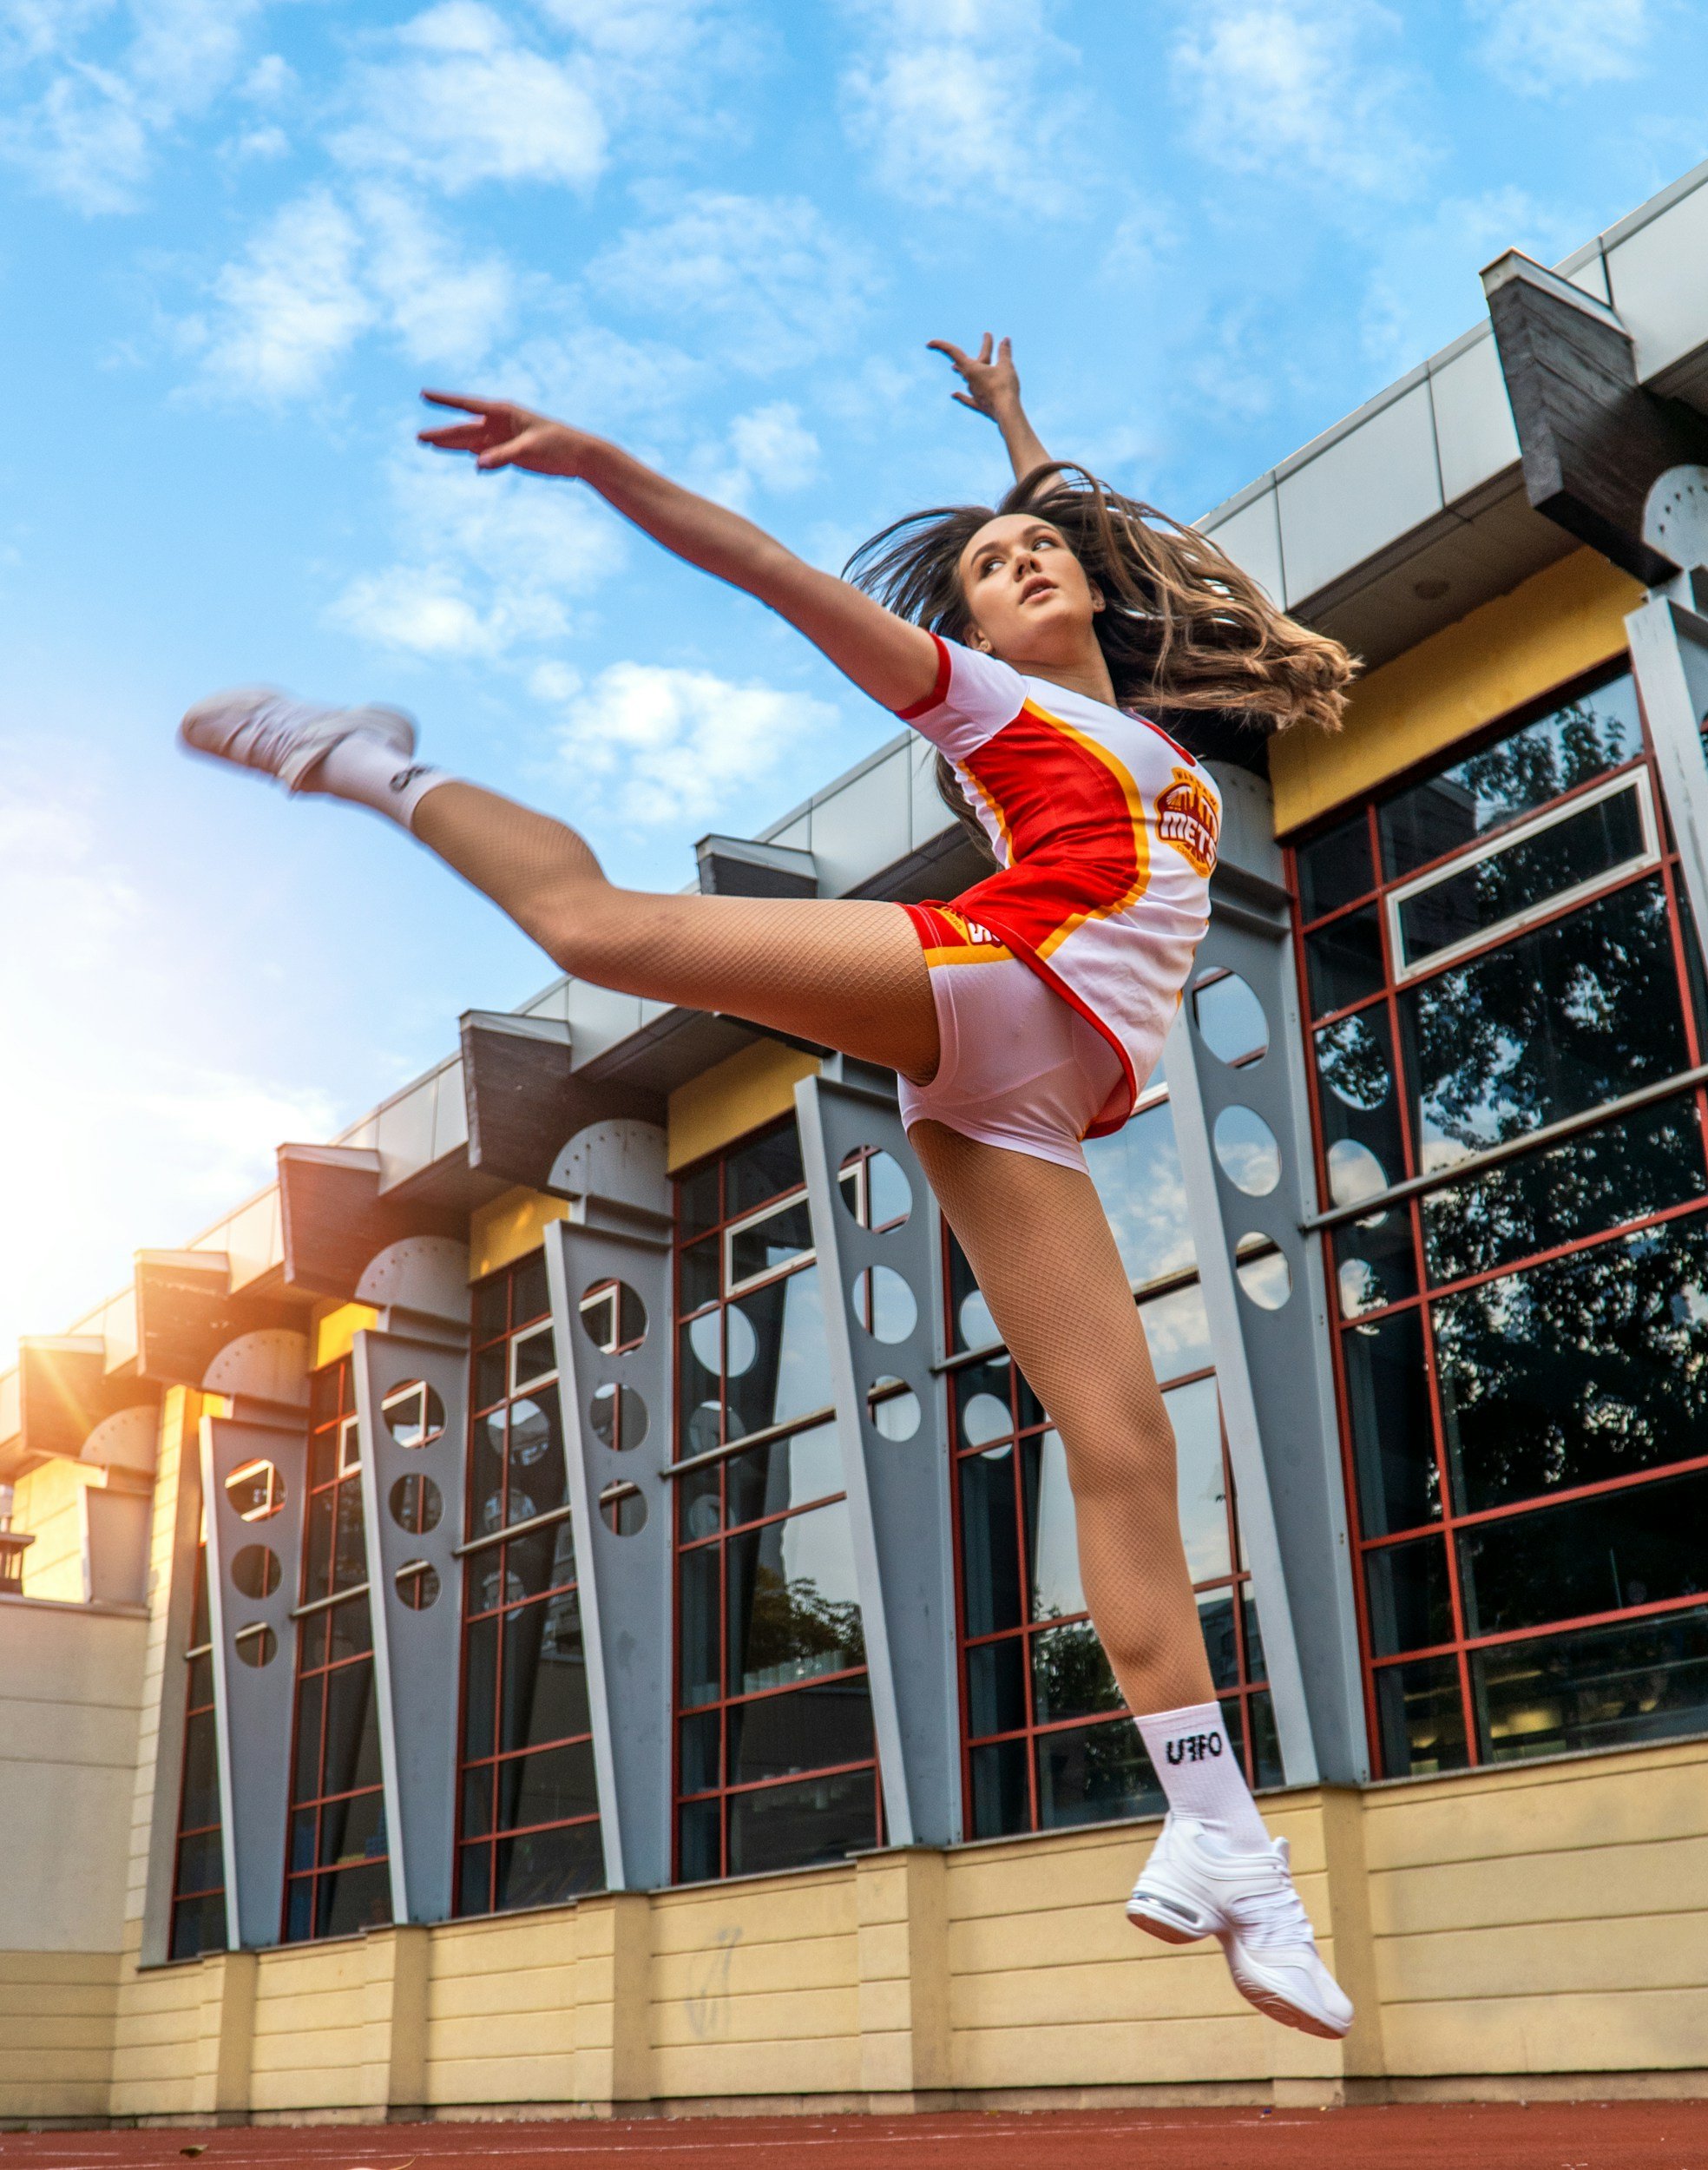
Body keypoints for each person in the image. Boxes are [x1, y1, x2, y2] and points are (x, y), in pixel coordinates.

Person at [178, 333, 1357, 2039]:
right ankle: (364, 757)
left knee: (1123, 1446)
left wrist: (1022, 431)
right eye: (978, 573)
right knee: (604, 931)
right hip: (998, 976)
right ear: (967, 636)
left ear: (1089, 577)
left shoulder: (1141, 720)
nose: (1013, 564)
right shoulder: (999, 709)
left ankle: (1225, 1835)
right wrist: (606, 466)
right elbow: (772, 570)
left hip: (1029, 1100)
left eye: (1032, 551)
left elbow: (1051, 510)